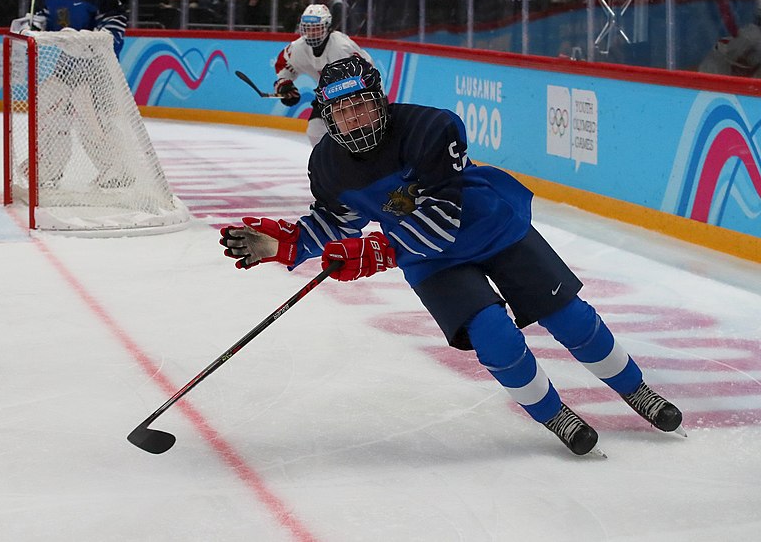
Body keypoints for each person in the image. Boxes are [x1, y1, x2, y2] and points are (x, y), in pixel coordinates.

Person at [219, 55, 686, 457]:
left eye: (361, 103)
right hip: (428, 258)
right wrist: (289, 243)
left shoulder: (431, 126)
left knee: (571, 318)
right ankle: (554, 415)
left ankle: (637, 390)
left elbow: (442, 217)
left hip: (488, 225)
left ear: (380, 99)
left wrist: (381, 251)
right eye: (342, 110)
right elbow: (340, 220)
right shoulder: (325, 163)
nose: (355, 117)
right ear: (328, 116)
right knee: (494, 337)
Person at [9, 0, 130, 189]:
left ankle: (117, 170)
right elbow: (47, 19)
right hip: (66, 64)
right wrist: (35, 25)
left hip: (95, 66)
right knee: (51, 111)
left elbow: (115, 23)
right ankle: (49, 169)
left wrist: (95, 40)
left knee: (91, 119)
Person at [272, 3, 372, 146]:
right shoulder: (298, 48)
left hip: (358, 95)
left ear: (327, 27)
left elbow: (366, 71)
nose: (312, 33)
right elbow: (284, 65)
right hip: (329, 96)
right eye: (308, 28)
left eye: (316, 28)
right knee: (315, 131)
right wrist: (285, 85)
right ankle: (324, 165)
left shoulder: (341, 47)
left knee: (354, 135)